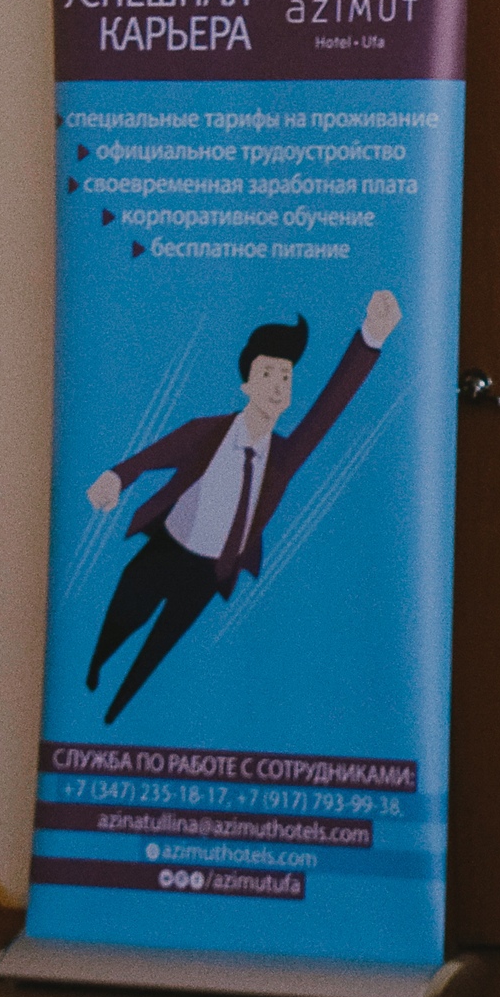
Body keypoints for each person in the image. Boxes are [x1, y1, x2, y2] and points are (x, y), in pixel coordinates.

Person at [83, 288, 401, 722]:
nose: (278, 385)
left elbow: (330, 407)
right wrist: (116, 478)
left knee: (159, 648)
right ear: (247, 385)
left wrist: (371, 337)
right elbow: (153, 456)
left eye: (286, 377)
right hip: (166, 550)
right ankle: (95, 667)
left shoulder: (284, 458)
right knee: (123, 618)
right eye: (267, 374)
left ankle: (115, 713)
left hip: (211, 569)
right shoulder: (209, 432)